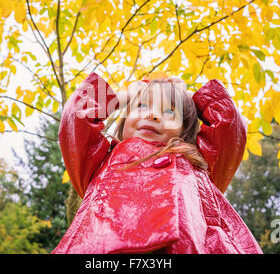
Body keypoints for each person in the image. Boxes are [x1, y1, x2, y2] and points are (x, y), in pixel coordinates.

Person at [52, 71, 262, 254]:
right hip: (104, 245)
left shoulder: (197, 160)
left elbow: (229, 123)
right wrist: (124, 98)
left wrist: (186, 99)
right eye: (141, 106)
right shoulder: (100, 160)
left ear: (184, 129)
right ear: (124, 120)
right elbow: (77, 116)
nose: (152, 115)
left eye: (170, 111)